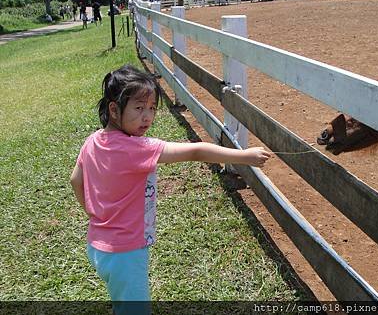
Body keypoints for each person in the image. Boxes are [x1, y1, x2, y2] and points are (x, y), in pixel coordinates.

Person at [70, 65, 270, 313]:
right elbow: (196, 151)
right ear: (114, 109)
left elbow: (75, 180)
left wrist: (92, 213)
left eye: (152, 108)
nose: (147, 117)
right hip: (126, 253)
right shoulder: (137, 148)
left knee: (122, 300)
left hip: (98, 247)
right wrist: (244, 156)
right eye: (139, 108)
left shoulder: (92, 141)